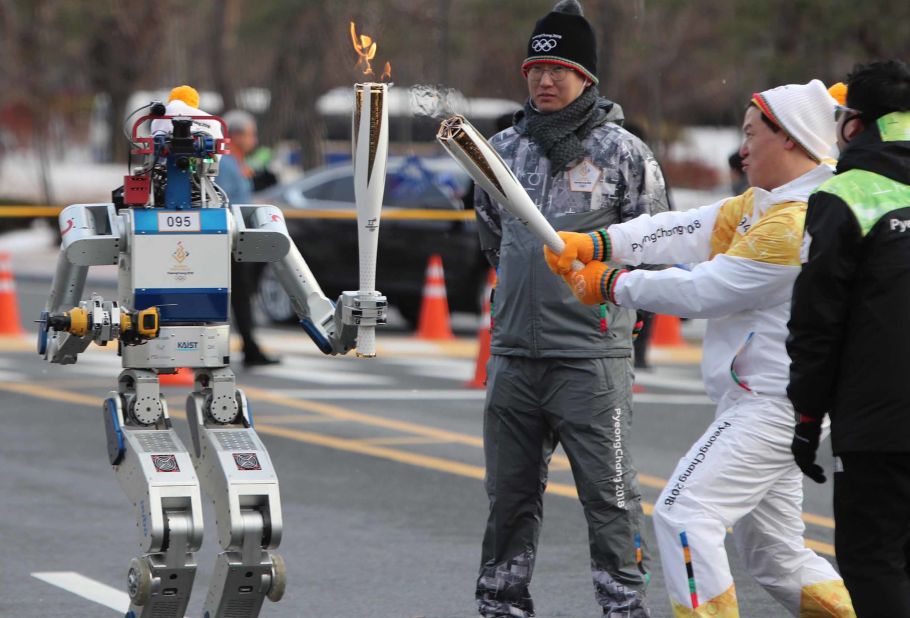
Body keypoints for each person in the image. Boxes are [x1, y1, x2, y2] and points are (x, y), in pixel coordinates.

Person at [545, 80, 855, 617]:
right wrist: (601, 243)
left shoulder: (798, 219)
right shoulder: (763, 203)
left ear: (790, 139)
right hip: (769, 401)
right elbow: (686, 227)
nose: (741, 148)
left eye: (751, 134)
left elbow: (709, 289)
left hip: (774, 404)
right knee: (776, 561)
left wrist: (613, 284)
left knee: (684, 514)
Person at [472, 1, 670, 615]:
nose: (545, 79)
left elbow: (658, 242)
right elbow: (490, 236)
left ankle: (621, 606)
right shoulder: (498, 149)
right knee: (509, 498)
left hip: (590, 360)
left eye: (560, 68)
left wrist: (604, 295)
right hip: (514, 359)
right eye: (535, 68)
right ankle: (501, 602)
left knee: (609, 496)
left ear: (586, 77)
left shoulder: (623, 153)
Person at [787, 59, 910, 617]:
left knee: (873, 560)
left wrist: (807, 418)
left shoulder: (847, 195)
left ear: (855, 125)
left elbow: (816, 321)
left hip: (879, 420)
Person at [216, 109, 280, 368]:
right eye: (251, 133)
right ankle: (246, 348)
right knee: (236, 294)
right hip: (229, 239)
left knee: (242, 294)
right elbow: (224, 201)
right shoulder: (225, 164)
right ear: (236, 135)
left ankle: (249, 346)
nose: (254, 139)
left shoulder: (238, 164)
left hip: (240, 238)